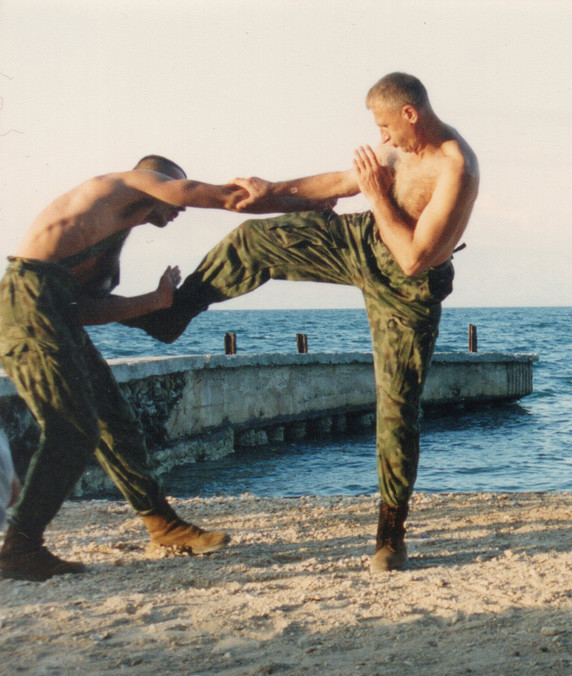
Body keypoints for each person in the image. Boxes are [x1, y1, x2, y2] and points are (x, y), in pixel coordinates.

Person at [126, 72, 480, 573]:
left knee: (397, 407)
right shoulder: (397, 148)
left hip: (408, 283)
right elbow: (337, 184)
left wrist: (377, 196)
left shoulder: (457, 168)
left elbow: (413, 258)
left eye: (384, 126)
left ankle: (390, 534)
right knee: (253, 242)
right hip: (363, 241)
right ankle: (174, 316)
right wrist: (273, 189)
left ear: (410, 114)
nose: (380, 137)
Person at [0, 155, 324, 581]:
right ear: (156, 180)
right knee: (72, 429)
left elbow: (81, 309)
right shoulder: (123, 184)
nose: (181, 206)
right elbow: (226, 197)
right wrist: (309, 204)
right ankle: (20, 548)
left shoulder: (110, 232)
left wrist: (153, 302)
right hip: (27, 305)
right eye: (176, 189)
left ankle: (163, 525)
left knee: (117, 422)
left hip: (51, 311)